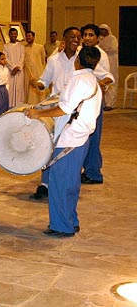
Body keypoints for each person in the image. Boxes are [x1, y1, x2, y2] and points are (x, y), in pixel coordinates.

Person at [24, 46, 102, 237]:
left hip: (69, 137)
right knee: (71, 182)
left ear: (77, 61)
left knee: (60, 183)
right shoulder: (93, 80)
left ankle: (62, 226)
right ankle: (71, 220)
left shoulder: (78, 80)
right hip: (81, 137)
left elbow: (64, 109)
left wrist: (37, 113)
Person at [29, 26, 81, 200]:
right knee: (49, 145)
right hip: (56, 110)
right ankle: (45, 184)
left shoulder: (81, 60)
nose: (76, 39)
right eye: (72, 36)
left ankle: (63, 183)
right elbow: (45, 80)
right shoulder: (53, 60)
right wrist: (38, 84)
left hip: (76, 110)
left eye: (78, 37)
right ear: (63, 40)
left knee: (69, 148)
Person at [80, 24, 114, 185]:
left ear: (97, 38)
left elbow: (107, 77)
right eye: (85, 34)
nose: (87, 38)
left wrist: (97, 85)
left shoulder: (100, 55)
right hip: (79, 98)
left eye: (91, 35)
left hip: (93, 99)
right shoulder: (79, 52)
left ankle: (93, 172)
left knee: (93, 136)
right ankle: (84, 169)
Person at [3, 28, 25, 107]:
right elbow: (6, 58)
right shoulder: (6, 46)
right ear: (9, 35)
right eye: (12, 34)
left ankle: (18, 105)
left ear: (17, 35)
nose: (13, 35)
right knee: (11, 88)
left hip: (18, 71)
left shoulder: (21, 47)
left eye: (15, 34)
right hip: (10, 71)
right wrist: (12, 68)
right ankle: (10, 104)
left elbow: (22, 57)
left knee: (18, 88)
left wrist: (17, 67)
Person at [98, 24, 118, 110]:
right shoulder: (100, 39)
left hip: (112, 61)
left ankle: (110, 104)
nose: (102, 31)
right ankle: (104, 103)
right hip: (104, 62)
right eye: (100, 30)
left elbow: (113, 49)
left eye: (103, 29)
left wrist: (103, 48)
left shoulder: (112, 38)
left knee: (111, 82)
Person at [24, 31, 46, 105]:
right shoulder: (24, 48)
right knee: (29, 89)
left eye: (30, 36)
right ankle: (30, 104)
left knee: (38, 87)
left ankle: (40, 104)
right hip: (28, 72)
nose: (28, 37)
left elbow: (43, 60)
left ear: (33, 37)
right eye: (27, 36)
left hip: (38, 70)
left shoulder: (40, 47)